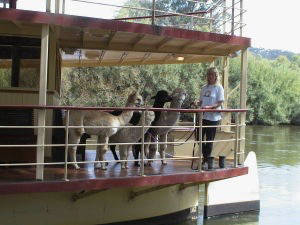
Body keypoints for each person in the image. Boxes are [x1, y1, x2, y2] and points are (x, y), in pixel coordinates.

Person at [198, 67, 224, 169]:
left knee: (209, 140)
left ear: (216, 76)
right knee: (198, 138)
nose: (209, 77)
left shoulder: (219, 88)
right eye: (208, 75)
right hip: (203, 116)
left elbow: (219, 102)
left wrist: (209, 107)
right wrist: (196, 103)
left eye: (211, 75)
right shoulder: (204, 87)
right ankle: (206, 158)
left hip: (213, 118)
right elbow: (201, 101)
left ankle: (206, 160)